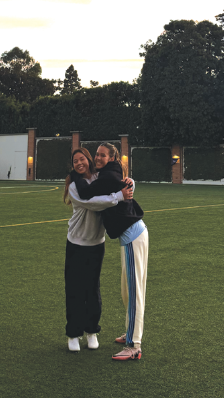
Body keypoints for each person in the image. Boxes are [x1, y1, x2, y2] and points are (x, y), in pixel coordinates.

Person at [72, 142, 149, 361]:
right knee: (127, 290)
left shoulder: (106, 177)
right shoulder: (110, 173)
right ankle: (131, 332)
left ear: (112, 159)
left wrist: (73, 174)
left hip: (134, 236)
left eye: (102, 155)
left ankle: (134, 345)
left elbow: (86, 192)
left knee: (133, 292)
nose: (97, 158)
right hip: (131, 237)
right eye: (96, 154)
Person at [63, 148, 133, 352]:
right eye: (75, 161)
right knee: (75, 290)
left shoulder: (98, 176)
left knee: (93, 290)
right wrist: (118, 196)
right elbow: (91, 203)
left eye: (82, 159)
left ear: (89, 160)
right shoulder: (74, 185)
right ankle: (73, 334)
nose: (79, 163)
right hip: (76, 243)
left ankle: (92, 331)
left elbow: (122, 180)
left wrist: (129, 185)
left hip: (96, 244)